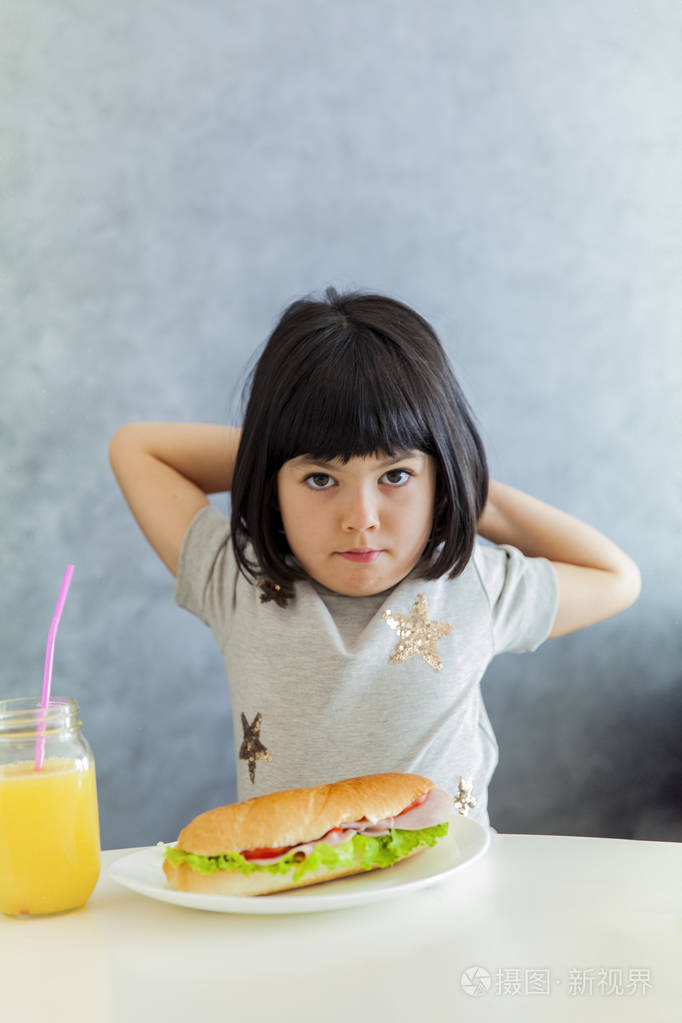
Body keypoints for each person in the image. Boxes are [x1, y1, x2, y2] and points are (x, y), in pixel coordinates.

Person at [109, 287, 641, 828]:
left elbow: (617, 578)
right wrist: (278, 442)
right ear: (273, 483)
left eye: (396, 476)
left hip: (448, 897)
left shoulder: (472, 585)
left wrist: (464, 484)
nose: (360, 517)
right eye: (320, 478)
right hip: (298, 902)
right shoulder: (238, 580)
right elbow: (136, 447)